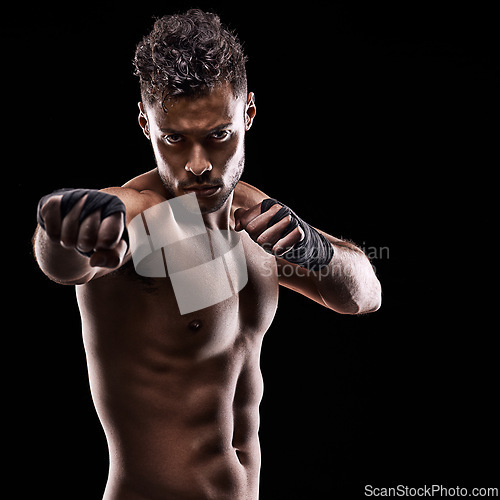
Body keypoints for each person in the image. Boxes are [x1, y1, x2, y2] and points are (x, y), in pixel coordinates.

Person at [33, 9, 381, 500]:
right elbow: (67, 264)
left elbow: (364, 296)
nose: (198, 165)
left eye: (219, 135)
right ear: (145, 124)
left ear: (249, 114)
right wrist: (64, 229)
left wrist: (320, 251)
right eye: (174, 139)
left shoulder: (254, 213)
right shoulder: (142, 215)